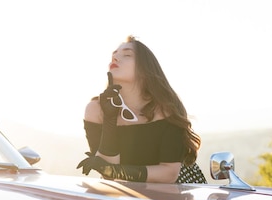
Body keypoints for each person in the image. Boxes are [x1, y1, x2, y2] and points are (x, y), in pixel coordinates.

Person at [77, 35, 206, 184]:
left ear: (145, 68)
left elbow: (169, 173)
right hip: (124, 193)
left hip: (176, 192)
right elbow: (108, 173)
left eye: (127, 55)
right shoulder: (95, 110)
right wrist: (109, 119)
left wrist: (116, 171)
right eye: (114, 55)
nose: (116, 58)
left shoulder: (167, 108)